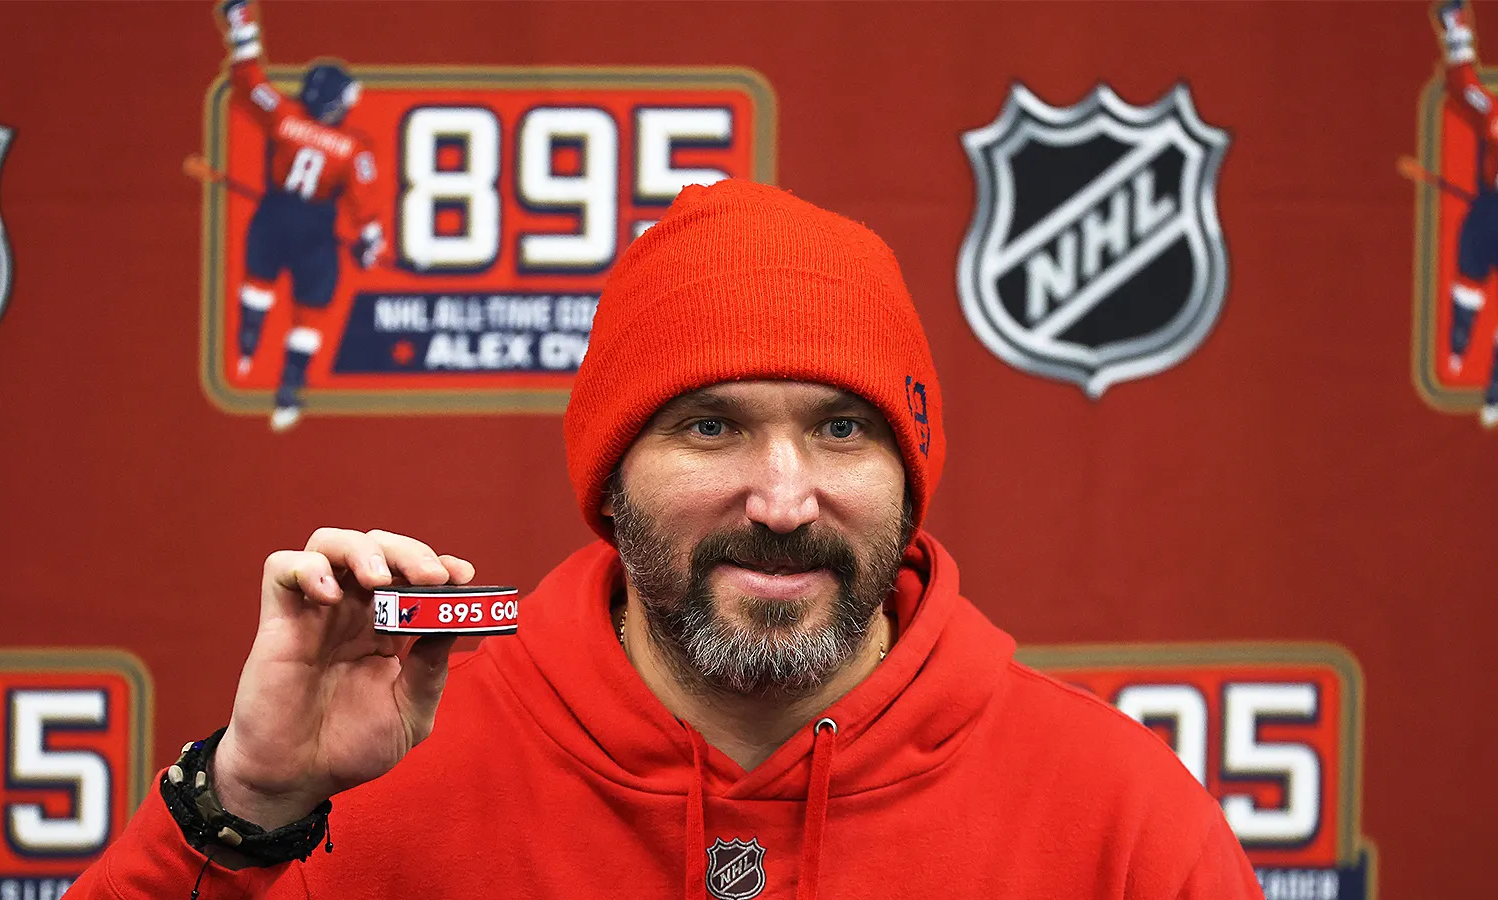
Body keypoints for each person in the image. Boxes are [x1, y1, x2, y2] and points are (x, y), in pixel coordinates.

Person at [67, 179, 1261, 898]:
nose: (782, 500)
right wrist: (252, 801)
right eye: (710, 427)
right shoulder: (374, 782)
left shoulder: (1115, 814)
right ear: (610, 478)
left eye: (841, 429)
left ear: (908, 475)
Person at [222, 0, 385, 431]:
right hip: (317, 230)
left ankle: (246, 349)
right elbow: (364, 201)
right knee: (312, 310)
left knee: (258, 285)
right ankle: (290, 387)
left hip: (274, 215)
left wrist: (243, 31)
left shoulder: (283, 116)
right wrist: (370, 240)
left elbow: (248, 81)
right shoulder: (354, 148)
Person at [1434, 0, 1498, 428]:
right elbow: (1463, 85)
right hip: (1487, 215)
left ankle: (1495, 390)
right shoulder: (1493, 115)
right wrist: (1456, 32)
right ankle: (1459, 343)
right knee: (1467, 291)